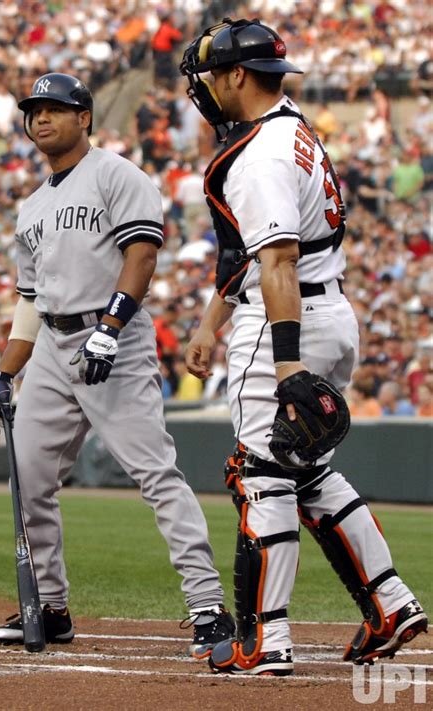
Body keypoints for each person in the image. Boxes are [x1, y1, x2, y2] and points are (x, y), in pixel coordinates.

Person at [180, 18, 428, 676]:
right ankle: (392, 603)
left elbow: (279, 260)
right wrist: (211, 321)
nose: (202, 88)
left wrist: (286, 363)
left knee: (260, 475)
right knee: (307, 470)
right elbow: (265, 253)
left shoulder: (258, 154)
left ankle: (267, 636)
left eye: (210, 76)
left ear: (237, 75)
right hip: (329, 308)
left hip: (283, 317)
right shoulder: (292, 129)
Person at [0, 72, 235, 657]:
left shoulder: (118, 175)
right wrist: (4, 373)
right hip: (50, 344)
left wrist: (111, 328)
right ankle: (49, 608)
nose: (41, 118)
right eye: (34, 111)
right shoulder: (32, 207)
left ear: (85, 117)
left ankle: (207, 606)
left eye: (55, 108)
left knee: (154, 472)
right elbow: (29, 301)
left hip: (112, 337)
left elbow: (142, 254)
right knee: (31, 481)